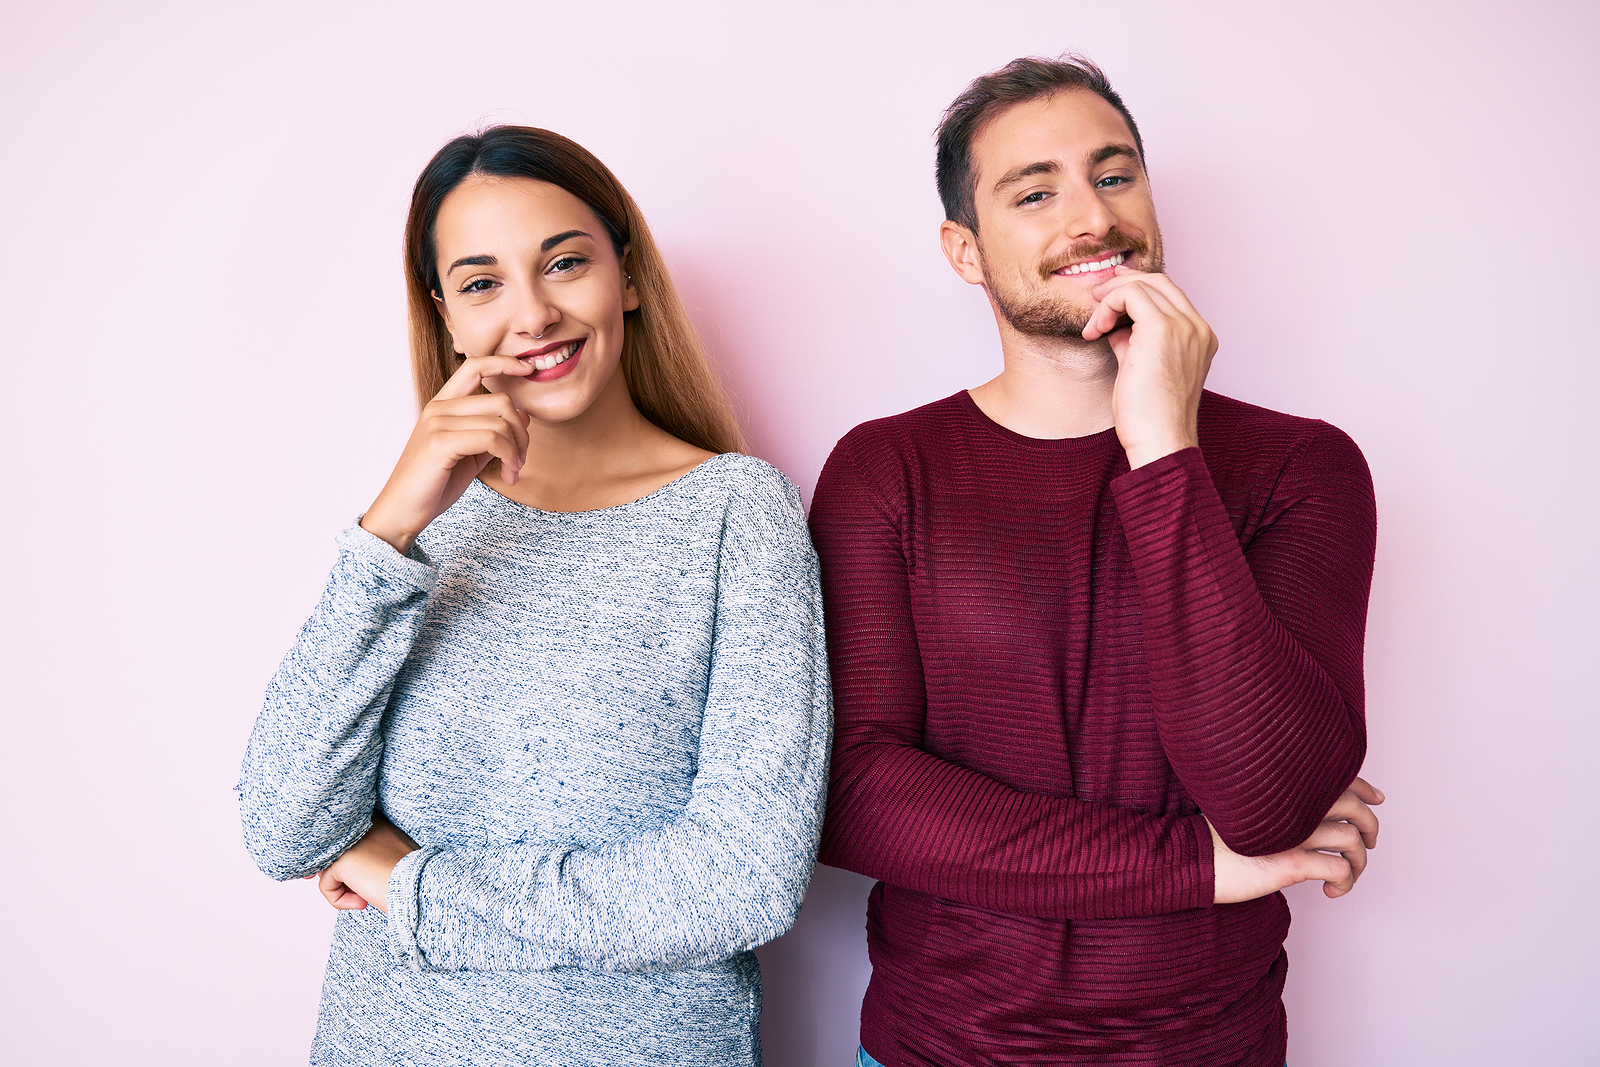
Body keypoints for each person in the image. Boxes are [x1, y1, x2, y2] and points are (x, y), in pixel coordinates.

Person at [808, 56, 1383, 1067]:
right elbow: (857, 796)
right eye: (1035, 193)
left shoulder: (1302, 467)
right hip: (934, 1051)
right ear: (965, 249)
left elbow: (1273, 800)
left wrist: (1163, 442)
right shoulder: (884, 468)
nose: (1091, 218)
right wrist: (1198, 863)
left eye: (1113, 176)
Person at [237, 125, 832, 1067]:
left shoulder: (736, 515)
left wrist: (410, 884)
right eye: (482, 283)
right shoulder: (416, 536)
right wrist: (389, 526)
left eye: (564, 263)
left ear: (626, 277)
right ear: (444, 317)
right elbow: (282, 825)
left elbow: (742, 880)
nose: (533, 315)